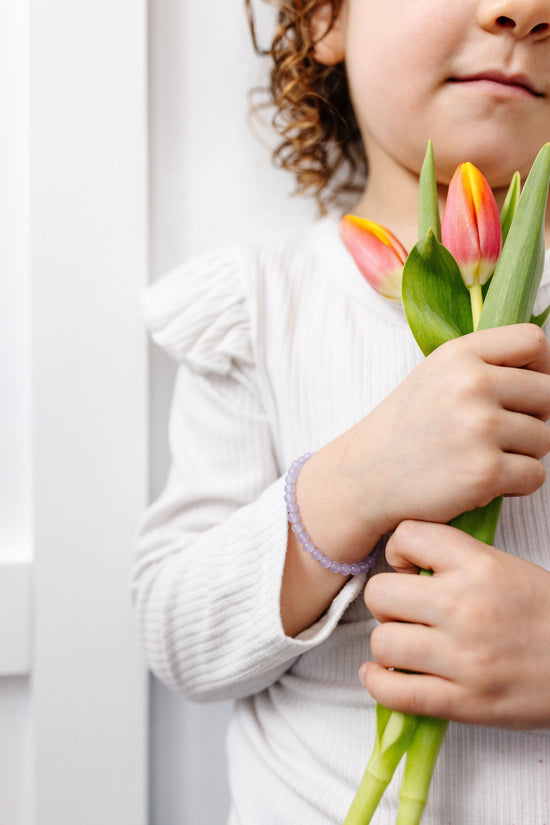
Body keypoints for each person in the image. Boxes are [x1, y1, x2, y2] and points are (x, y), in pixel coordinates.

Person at [133, 1, 550, 822]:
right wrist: (356, 482)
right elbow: (179, 634)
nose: (525, 8)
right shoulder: (261, 310)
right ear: (326, 18)